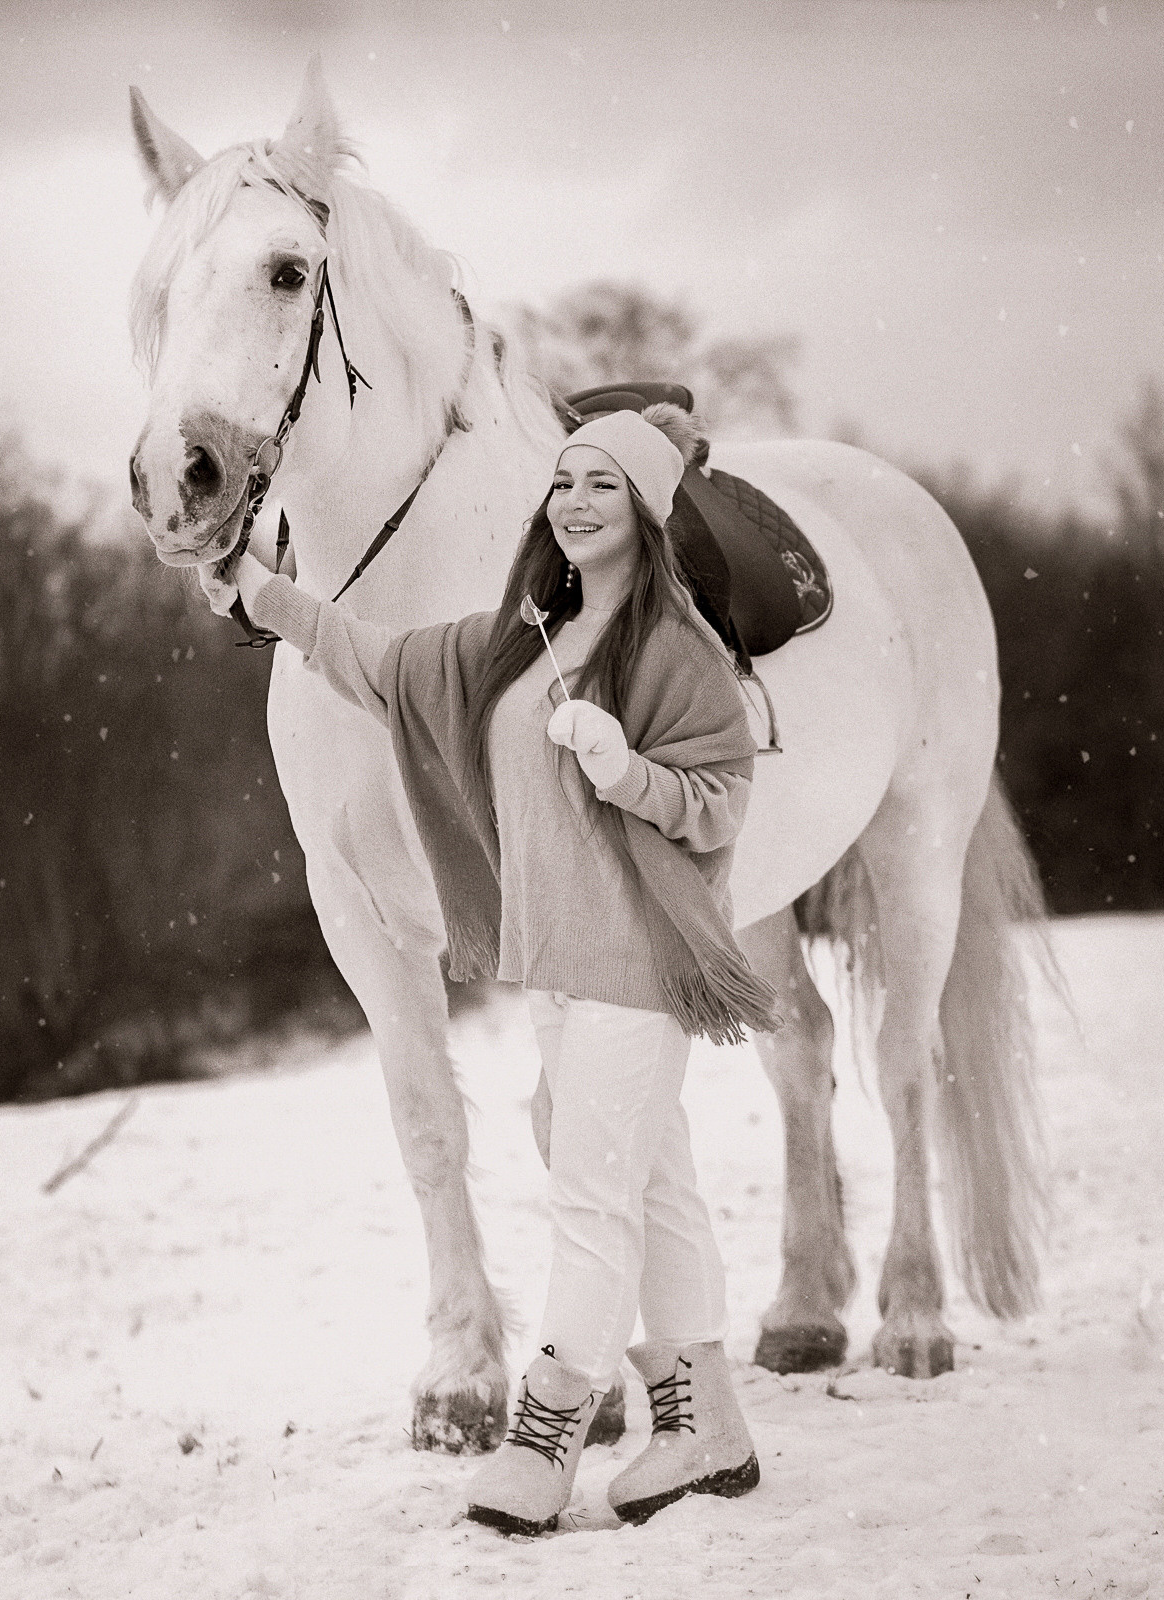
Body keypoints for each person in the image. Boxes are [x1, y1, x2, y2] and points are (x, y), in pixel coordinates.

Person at [199, 403, 776, 1535]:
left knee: (591, 1196)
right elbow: (379, 665)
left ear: (647, 511)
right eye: (563, 482)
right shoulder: (520, 641)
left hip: (643, 961)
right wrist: (262, 596)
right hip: (556, 964)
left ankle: (547, 1435)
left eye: (603, 484)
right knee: (654, 1185)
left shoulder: (678, 651)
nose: (574, 502)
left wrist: (630, 775)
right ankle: (706, 1425)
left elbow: (719, 803)